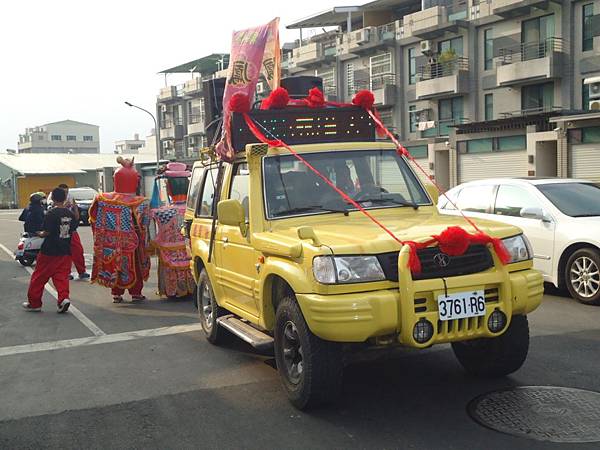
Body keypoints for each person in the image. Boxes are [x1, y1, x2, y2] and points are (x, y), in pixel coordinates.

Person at [89, 157, 150, 303]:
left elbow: (93, 218)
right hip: (132, 242)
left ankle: (116, 293)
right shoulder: (140, 202)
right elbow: (145, 224)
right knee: (134, 266)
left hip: (110, 242)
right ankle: (136, 293)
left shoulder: (102, 199)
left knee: (114, 265)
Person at [22, 187, 75, 312]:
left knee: (39, 277)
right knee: (61, 277)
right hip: (65, 250)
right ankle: (63, 299)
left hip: (50, 250)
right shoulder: (69, 213)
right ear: (64, 198)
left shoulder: (51, 213)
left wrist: (39, 233)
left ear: (53, 198)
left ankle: (34, 303)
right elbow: (73, 227)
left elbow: (46, 232)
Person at [51, 184, 90, 280]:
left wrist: (75, 208)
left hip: (72, 230)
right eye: (64, 192)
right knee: (65, 253)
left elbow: (76, 217)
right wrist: (64, 206)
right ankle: (66, 272)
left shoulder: (71, 200)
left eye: (67, 192)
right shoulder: (54, 205)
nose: (66, 194)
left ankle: (82, 271)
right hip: (61, 231)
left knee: (78, 250)